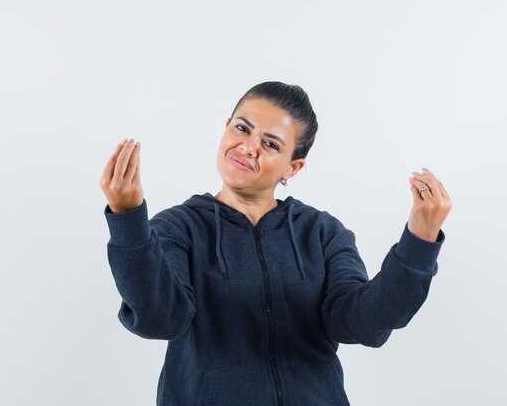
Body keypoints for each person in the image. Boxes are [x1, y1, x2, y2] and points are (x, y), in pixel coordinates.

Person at [99, 81, 452, 406]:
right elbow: (161, 319)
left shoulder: (322, 232)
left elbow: (364, 323)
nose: (248, 148)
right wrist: (128, 218)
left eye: (270, 144)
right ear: (226, 127)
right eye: (242, 128)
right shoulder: (179, 227)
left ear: (292, 168)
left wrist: (419, 243)